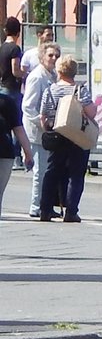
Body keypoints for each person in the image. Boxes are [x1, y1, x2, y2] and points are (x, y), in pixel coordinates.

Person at [38, 54, 96, 223]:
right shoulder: (80, 90)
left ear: (58, 70)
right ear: (74, 71)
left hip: (58, 135)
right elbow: (91, 112)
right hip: (77, 136)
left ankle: (46, 209)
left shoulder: (51, 90)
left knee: (52, 172)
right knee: (76, 174)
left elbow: (44, 116)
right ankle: (71, 211)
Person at [22, 42, 60, 218]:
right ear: (42, 57)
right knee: (40, 171)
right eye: (50, 55)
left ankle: (46, 204)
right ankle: (35, 206)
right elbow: (28, 107)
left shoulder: (52, 75)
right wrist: (41, 122)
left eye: (56, 56)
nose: (54, 59)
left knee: (47, 171)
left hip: (49, 132)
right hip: (37, 132)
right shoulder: (37, 77)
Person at [0, 80, 35, 230]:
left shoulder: (7, 101)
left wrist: (28, 153)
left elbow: (18, 129)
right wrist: (28, 154)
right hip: (5, 153)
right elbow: (19, 130)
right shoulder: (7, 101)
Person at [0, 16, 23, 97]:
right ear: (18, 33)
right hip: (12, 88)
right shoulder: (15, 48)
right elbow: (15, 71)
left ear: (6, 31)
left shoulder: (2, 47)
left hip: (2, 86)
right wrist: (25, 74)